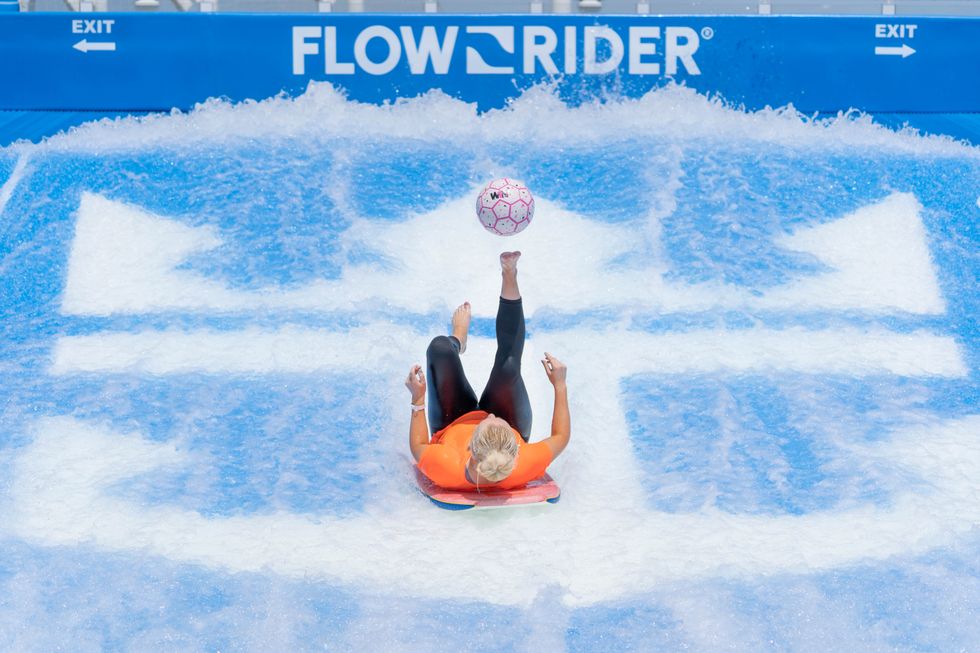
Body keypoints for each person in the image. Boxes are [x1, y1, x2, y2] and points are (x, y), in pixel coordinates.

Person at [405, 251, 570, 491]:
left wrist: (418, 398)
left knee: (440, 348)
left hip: (453, 421)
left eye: (488, 421)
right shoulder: (525, 463)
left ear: (470, 449)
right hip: (513, 416)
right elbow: (561, 437)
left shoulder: (445, 466)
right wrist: (560, 385)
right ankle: (509, 274)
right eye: (497, 421)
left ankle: (457, 338)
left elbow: (418, 445)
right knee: (509, 365)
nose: (490, 415)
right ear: (515, 454)